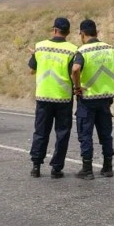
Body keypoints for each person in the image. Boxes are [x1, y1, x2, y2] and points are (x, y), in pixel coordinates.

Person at [70, 19, 114, 179]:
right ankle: (107, 167)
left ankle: (87, 169)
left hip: (87, 98)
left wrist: (77, 87)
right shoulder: (110, 49)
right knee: (105, 134)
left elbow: (75, 69)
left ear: (82, 34)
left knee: (86, 134)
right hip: (105, 98)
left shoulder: (82, 51)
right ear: (97, 33)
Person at [28, 17, 78, 178]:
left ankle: (36, 166)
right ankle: (56, 168)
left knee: (41, 131)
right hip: (63, 97)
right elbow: (74, 72)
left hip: (43, 96)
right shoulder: (72, 49)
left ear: (54, 29)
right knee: (62, 133)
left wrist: (37, 56)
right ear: (68, 32)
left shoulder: (39, 47)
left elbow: (31, 69)